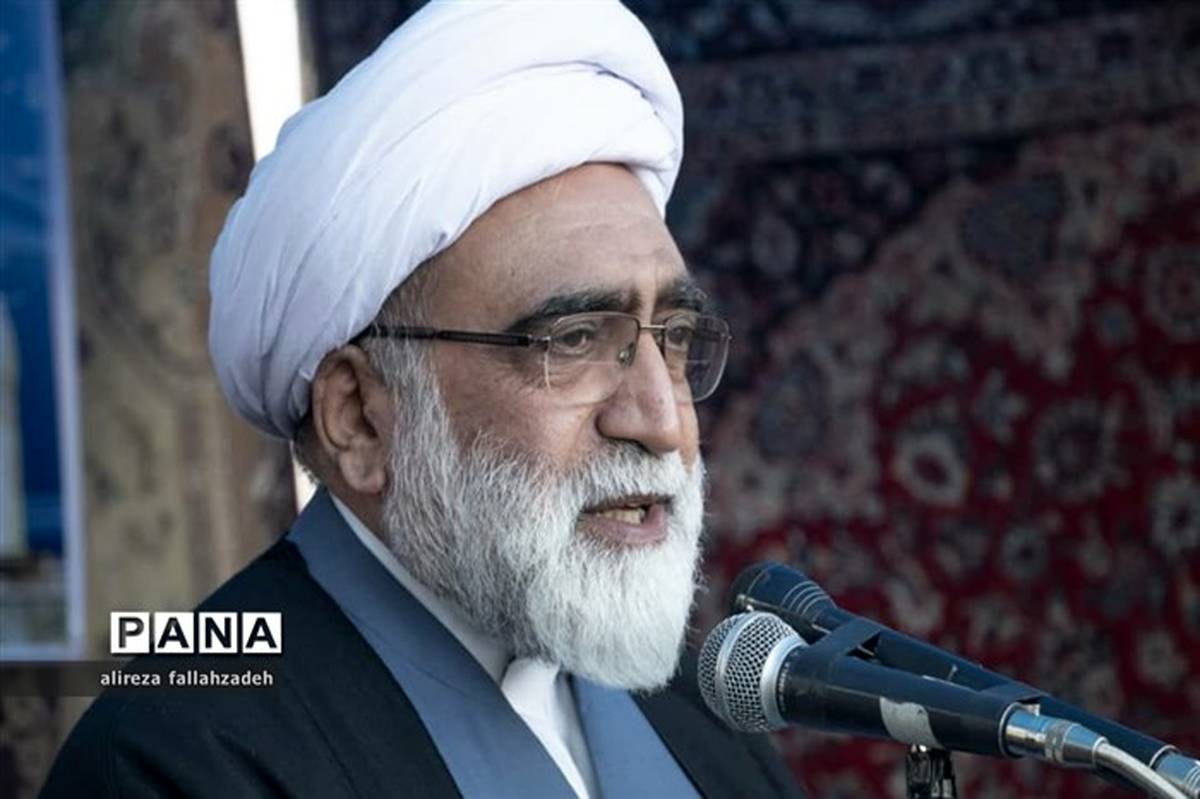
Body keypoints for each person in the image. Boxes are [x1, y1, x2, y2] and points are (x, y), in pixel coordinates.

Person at [43, 3, 803, 797]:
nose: (662, 420)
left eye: (673, 336)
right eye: (574, 339)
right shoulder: (179, 759)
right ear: (359, 418)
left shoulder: (700, 715)